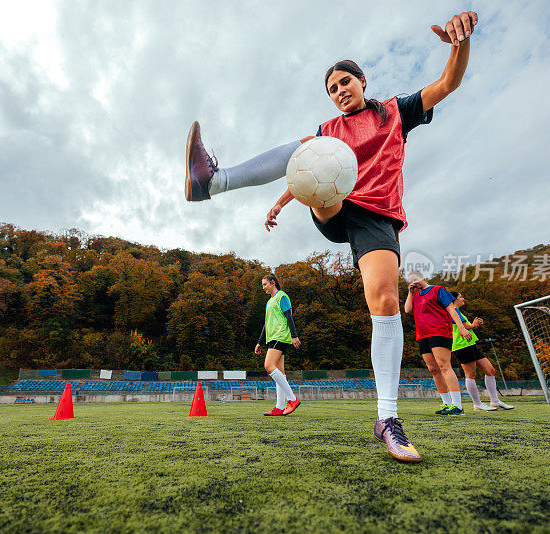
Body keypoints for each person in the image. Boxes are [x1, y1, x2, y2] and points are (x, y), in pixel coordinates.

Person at [186, 12, 479, 461]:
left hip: (377, 218)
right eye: (332, 88)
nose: (340, 91)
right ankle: (215, 181)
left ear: (363, 81)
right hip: (335, 204)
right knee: (309, 145)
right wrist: (282, 203)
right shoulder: (329, 130)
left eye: (345, 82)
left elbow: (447, 83)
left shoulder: (396, 112)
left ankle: (387, 418)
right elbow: (308, 170)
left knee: (383, 301)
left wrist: (458, 45)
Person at [405, 271, 472, 416]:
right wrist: (410, 293)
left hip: (439, 332)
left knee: (444, 366)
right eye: (410, 281)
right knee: (433, 369)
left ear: (422, 277)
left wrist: (461, 328)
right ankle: (447, 404)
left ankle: (457, 405)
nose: (413, 282)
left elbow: (451, 310)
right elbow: (407, 310)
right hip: (422, 335)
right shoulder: (415, 295)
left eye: (415, 279)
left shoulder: (438, 290)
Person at [449, 291, 514, 410]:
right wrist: (474, 324)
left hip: (470, 344)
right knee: (471, 374)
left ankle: (494, 401)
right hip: (462, 346)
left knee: (490, 370)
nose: (463, 299)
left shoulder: (458, 311)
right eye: (461, 297)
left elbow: (467, 326)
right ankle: (477, 404)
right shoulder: (454, 311)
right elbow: (465, 327)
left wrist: (474, 324)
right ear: (454, 300)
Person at [255, 274, 302, 416]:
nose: (263, 287)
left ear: (272, 283)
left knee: (268, 366)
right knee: (280, 373)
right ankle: (280, 407)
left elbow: (289, 316)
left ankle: (292, 399)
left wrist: (294, 336)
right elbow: (266, 324)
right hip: (272, 338)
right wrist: (259, 342)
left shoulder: (282, 296)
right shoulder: (269, 302)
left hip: (280, 336)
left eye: (265, 284)